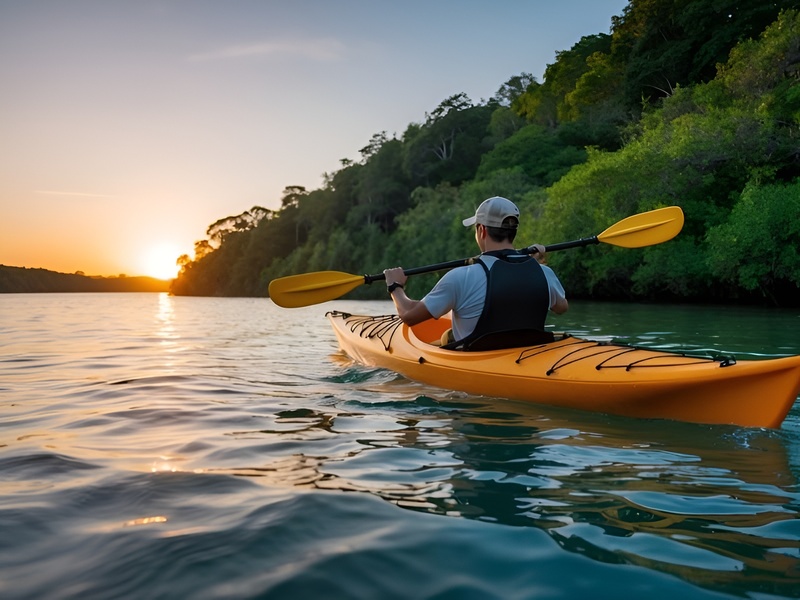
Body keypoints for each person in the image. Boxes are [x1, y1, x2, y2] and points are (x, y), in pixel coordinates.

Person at [383, 196, 568, 350]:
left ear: (482, 230)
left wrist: (395, 286)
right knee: (448, 335)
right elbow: (561, 307)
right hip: (528, 357)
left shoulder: (460, 277)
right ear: (513, 232)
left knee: (447, 337)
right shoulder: (544, 273)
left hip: (478, 362)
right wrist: (534, 265)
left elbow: (409, 315)